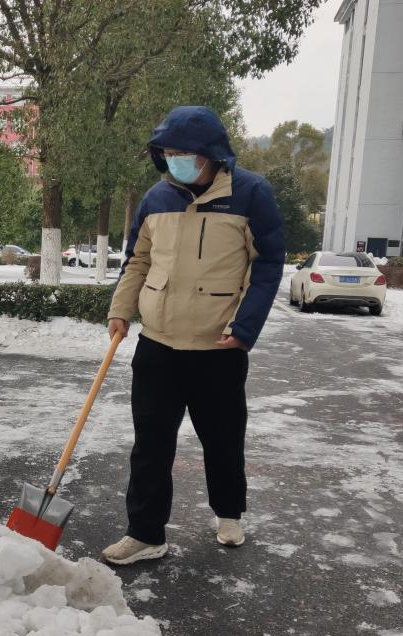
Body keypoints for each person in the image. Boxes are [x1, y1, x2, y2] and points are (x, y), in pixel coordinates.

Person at [101, 106, 284, 566]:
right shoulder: (156, 198)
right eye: (167, 152)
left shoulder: (250, 194)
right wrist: (121, 309)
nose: (175, 160)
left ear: (210, 153)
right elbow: (137, 261)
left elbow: (266, 266)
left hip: (218, 348)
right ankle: (145, 533)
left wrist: (244, 328)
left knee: (222, 440)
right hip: (158, 345)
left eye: (183, 153)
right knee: (150, 445)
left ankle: (229, 513)